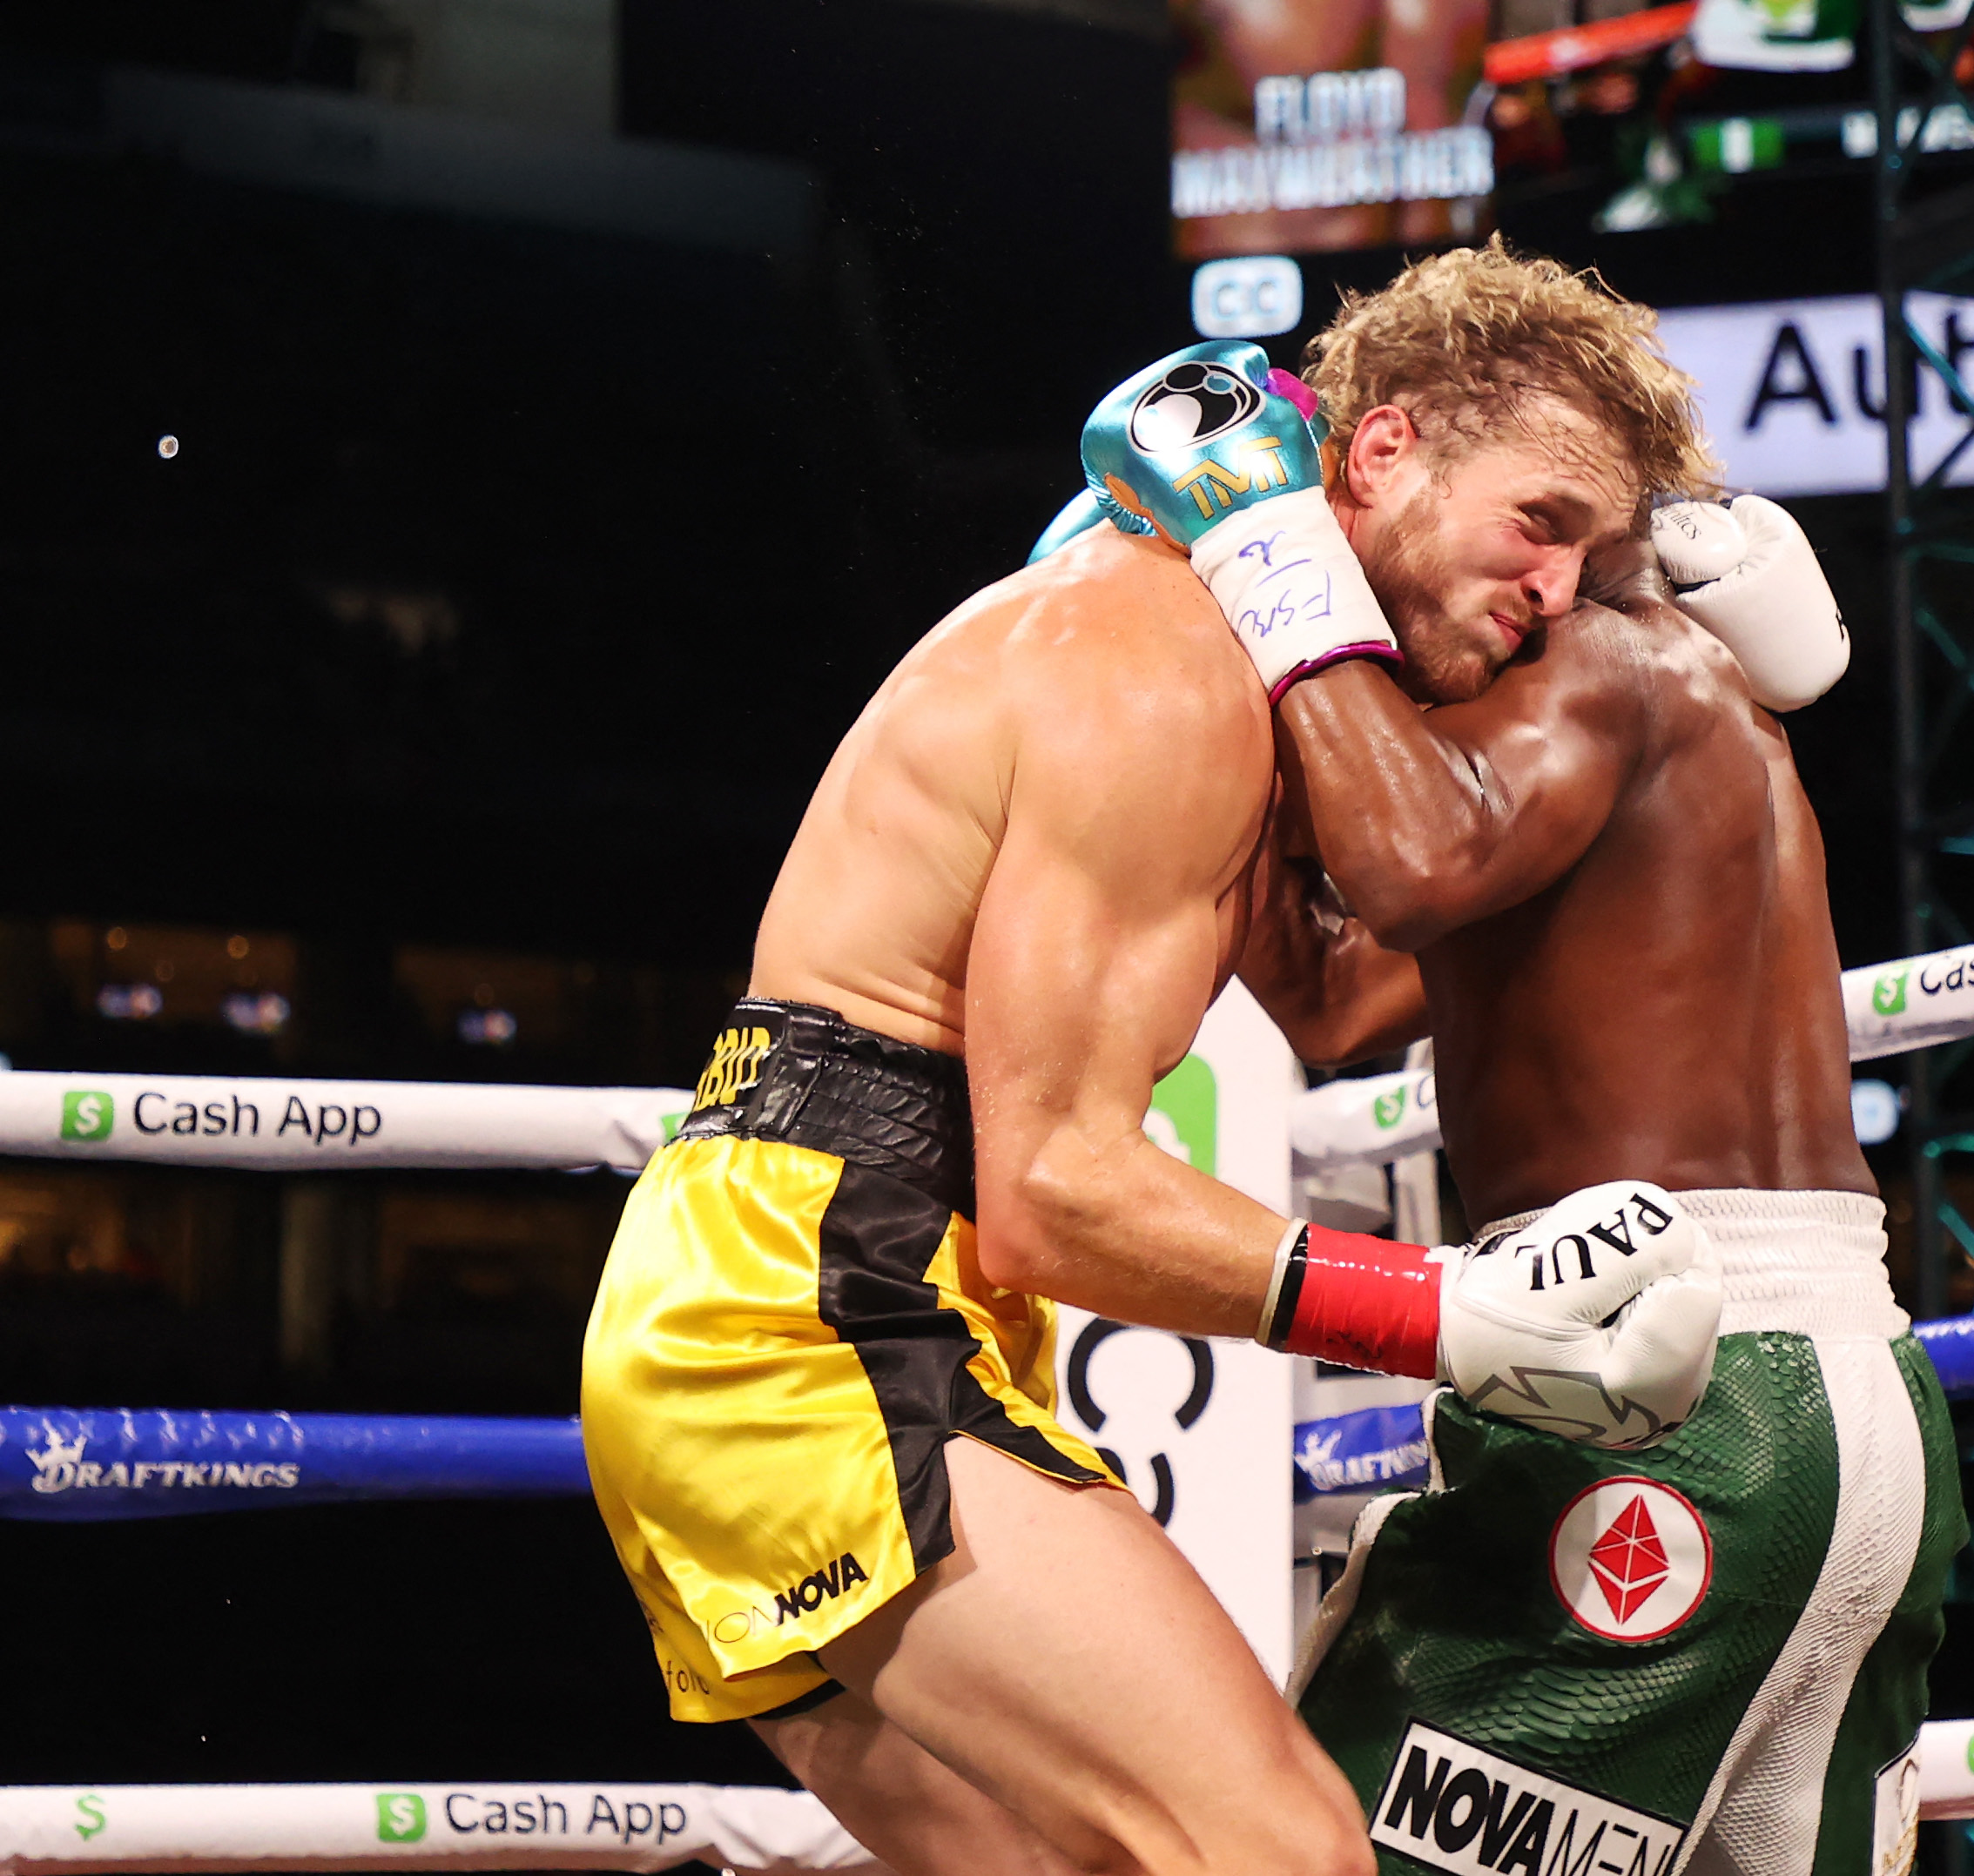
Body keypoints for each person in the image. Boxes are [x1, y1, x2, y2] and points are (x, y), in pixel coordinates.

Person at [574, 306, 1730, 1873]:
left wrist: (1681, 719)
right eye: (1538, 528)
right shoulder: (1159, 664)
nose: (1550, 594)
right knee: (1273, 1851)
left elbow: (1341, 983)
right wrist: (1447, 1314)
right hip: (821, 1313)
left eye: (1584, 569)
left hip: (779, 1290)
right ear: (1379, 453)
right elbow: (1052, 1188)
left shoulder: (1209, 666)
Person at [1226, 245, 1968, 1876]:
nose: (1547, 584)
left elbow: (1409, 871)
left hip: (1670, 1391)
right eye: (1533, 530)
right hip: (1845, 1406)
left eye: (1577, 537)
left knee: (1278, 1844)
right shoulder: (1669, 706)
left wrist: (1256, 558)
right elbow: (1341, 1006)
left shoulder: (1607, 670)